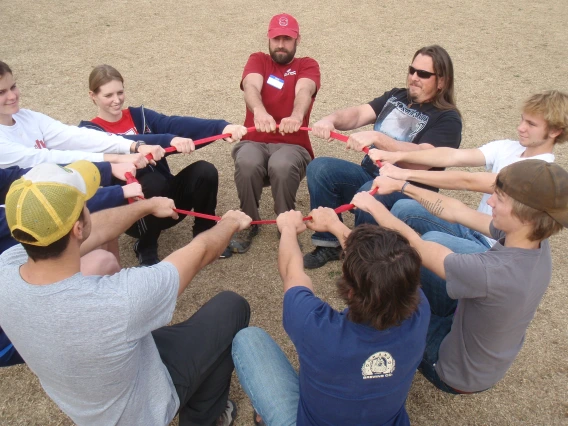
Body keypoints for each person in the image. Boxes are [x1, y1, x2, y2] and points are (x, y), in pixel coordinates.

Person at [0, 161, 252, 425]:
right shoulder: (119, 301)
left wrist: (147, 205)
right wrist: (230, 223)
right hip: (144, 408)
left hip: (93, 394)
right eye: (84, 204)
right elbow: (200, 252)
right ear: (77, 229)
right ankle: (206, 419)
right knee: (231, 307)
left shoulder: (6, 267)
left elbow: (95, 228)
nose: (89, 209)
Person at [351, 159, 567, 394]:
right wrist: (402, 185)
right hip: (477, 347)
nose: (490, 201)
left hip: (453, 371)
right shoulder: (534, 241)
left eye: (500, 199)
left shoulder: (492, 272)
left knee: (384, 297)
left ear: (528, 217)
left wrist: (373, 207)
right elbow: (457, 211)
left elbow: (420, 247)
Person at [232, 209, 430, 426]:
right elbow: (384, 270)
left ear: (351, 292)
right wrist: (334, 225)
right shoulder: (420, 314)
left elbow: (291, 273)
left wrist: (288, 228)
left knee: (248, 339)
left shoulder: (316, 329)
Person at [303, 45, 462, 269]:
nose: (414, 78)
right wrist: (331, 120)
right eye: (412, 70)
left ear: (442, 81)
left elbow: (423, 158)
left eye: (423, 74)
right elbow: (358, 114)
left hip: (404, 189)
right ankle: (330, 244)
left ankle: (364, 262)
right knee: (320, 168)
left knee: (370, 192)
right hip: (370, 174)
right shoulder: (397, 96)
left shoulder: (448, 119)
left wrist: (378, 138)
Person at [79, 64, 248, 264]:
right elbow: (121, 142)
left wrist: (222, 127)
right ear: (93, 95)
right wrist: (168, 140)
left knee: (205, 171)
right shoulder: (87, 133)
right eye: (108, 95)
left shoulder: (139, 116)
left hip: (170, 203)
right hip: (132, 214)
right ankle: (146, 245)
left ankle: (206, 233)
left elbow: (174, 124)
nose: (116, 100)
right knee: (151, 181)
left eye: (120, 92)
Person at [365, 90, 567, 253]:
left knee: (432, 241)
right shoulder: (509, 147)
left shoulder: (541, 174)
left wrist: (404, 175)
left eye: (531, 124)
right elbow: (451, 156)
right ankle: (378, 258)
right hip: (473, 227)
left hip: (492, 247)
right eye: (522, 120)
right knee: (404, 207)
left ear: (555, 131)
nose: (520, 128)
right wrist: (397, 156)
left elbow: (467, 181)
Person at [229, 13, 321, 253]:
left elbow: (305, 90)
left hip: (293, 145)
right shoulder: (258, 59)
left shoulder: (307, 64)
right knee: (247, 160)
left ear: (297, 40)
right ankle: (249, 220)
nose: (281, 44)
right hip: (254, 140)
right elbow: (251, 85)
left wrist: (296, 116)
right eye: (276, 38)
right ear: (268, 39)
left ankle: (286, 224)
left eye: (287, 39)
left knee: (282, 164)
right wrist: (259, 112)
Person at [0, 61, 157, 170]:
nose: (12, 96)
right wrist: (116, 158)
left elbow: (74, 136)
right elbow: (46, 159)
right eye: (1, 92)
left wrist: (133, 146)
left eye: (13, 87)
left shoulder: (26, 117)